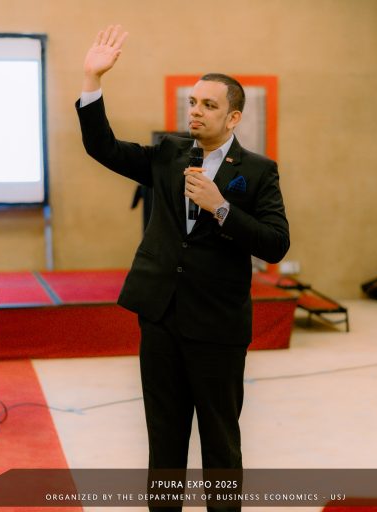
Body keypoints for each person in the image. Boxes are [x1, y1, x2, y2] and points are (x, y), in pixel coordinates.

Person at [75, 25, 290, 511]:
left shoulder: (258, 171)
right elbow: (102, 147)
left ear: (233, 117)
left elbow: (276, 243)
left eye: (208, 105)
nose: (195, 111)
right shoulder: (168, 154)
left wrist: (221, 207)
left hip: (217, 325)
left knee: (220, 441)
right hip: (161, 316)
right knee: (164, 440)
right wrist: (92, 79)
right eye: (192, 102)